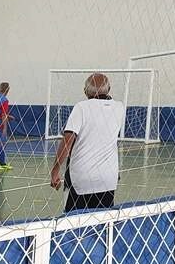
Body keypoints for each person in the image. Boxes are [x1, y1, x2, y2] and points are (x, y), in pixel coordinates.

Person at [49, 73, 125, 211]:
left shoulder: (81, 107)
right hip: (108, 178)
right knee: (102, 221)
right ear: (109, 89)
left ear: (85, 91)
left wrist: (55, 170)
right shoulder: (119, 107)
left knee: (73, 222)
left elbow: (68, 140)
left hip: (81, 179)